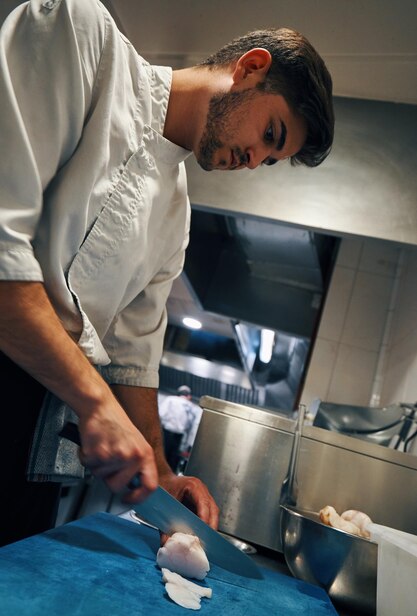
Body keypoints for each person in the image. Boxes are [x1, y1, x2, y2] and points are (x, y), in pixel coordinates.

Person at [0, 0, 334, 546]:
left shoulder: (176, 215)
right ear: (251, 67)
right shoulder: (80, 35)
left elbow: (134, 361)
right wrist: (94, 403)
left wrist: (164, 471)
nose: (254, 161)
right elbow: (3, 253)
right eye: (270, 134)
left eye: (269, 160)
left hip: (35, 431)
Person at [159, 386, 202, 472]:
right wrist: (187, 446)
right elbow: (191, 429)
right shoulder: (192, 407)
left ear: (178, 393)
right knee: (172, 463)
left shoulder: (170, 399)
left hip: (166, 433)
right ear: (189, 396)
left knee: (161, 458)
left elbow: (160, 414)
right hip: (179, 438)